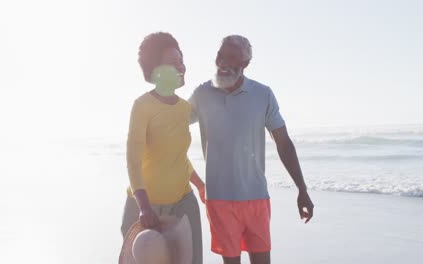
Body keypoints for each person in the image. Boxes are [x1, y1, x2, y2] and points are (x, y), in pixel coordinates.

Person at [188, 35, 314, 264]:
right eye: (220, 55)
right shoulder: (202, 94)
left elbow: (283, 142)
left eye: (232, 58)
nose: (223, 62)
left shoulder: (262, 94)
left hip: (255, 197)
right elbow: (173, 126)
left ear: (245, 64)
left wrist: (301, 189)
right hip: (219, 199)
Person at [121, 32, 205, 264]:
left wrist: (199, 185)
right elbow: (133, 161)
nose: (182, 66)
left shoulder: (184, 109)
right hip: (145, 207)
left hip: (182, 202)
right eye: (174, 62)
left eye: (182, 60)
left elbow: (178, 158)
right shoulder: (142, 106)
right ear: (156, 70)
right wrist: (144, 207)